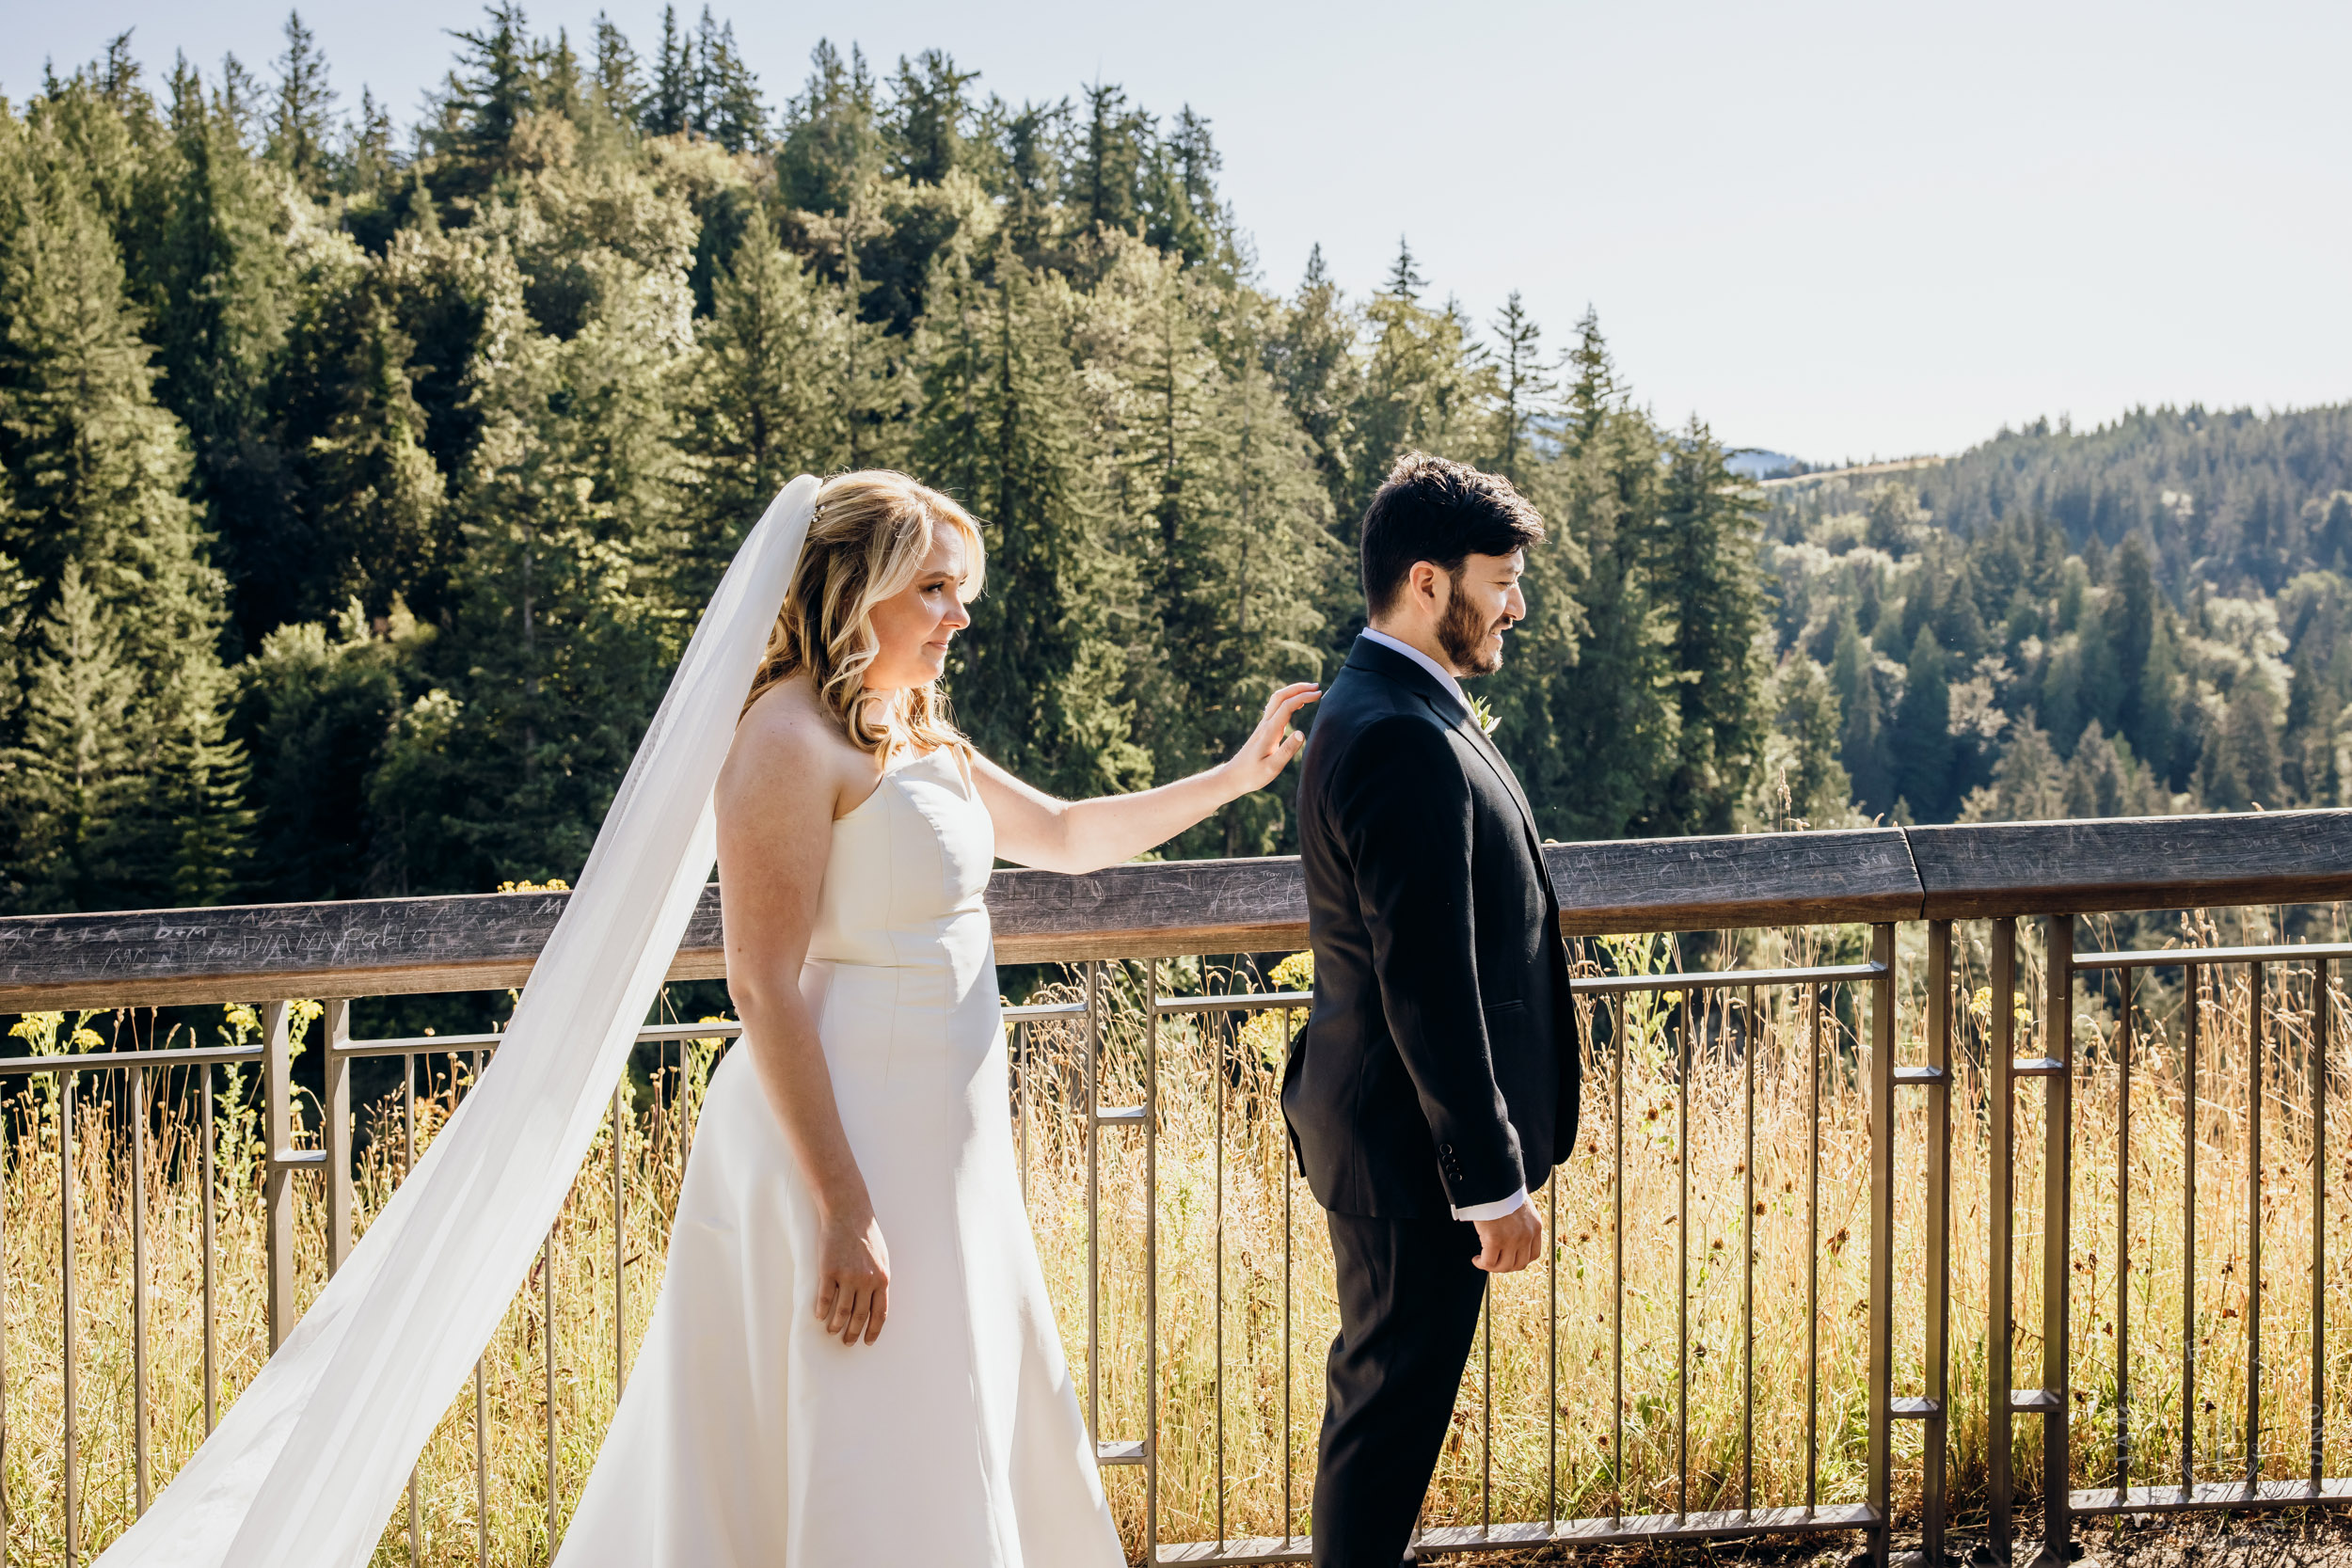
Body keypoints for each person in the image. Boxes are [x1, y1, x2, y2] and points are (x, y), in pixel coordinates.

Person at [554, 470, 1321, 1565]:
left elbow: (1060, 833)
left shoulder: (910, 731)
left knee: (941, 1402)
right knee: (863, 1415)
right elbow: (763, 983)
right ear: (854, 588)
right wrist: (843, 1202)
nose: (959, 616)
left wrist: (1233, 777)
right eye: (934, 590)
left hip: (939, 1141)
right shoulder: (783, 738)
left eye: (961, 592)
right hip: (841, 1143)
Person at [1282, 452, 1581, 1568]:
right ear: (1426, 581)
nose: (1516, 604)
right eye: (1499, 580)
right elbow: (1427, 979)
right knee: (1386, 1421)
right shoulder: (1398, 729)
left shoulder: (1394, 705)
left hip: (1396, 1139)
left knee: (1385, 1411)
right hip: (1410, 1152)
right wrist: (1489, 1182)